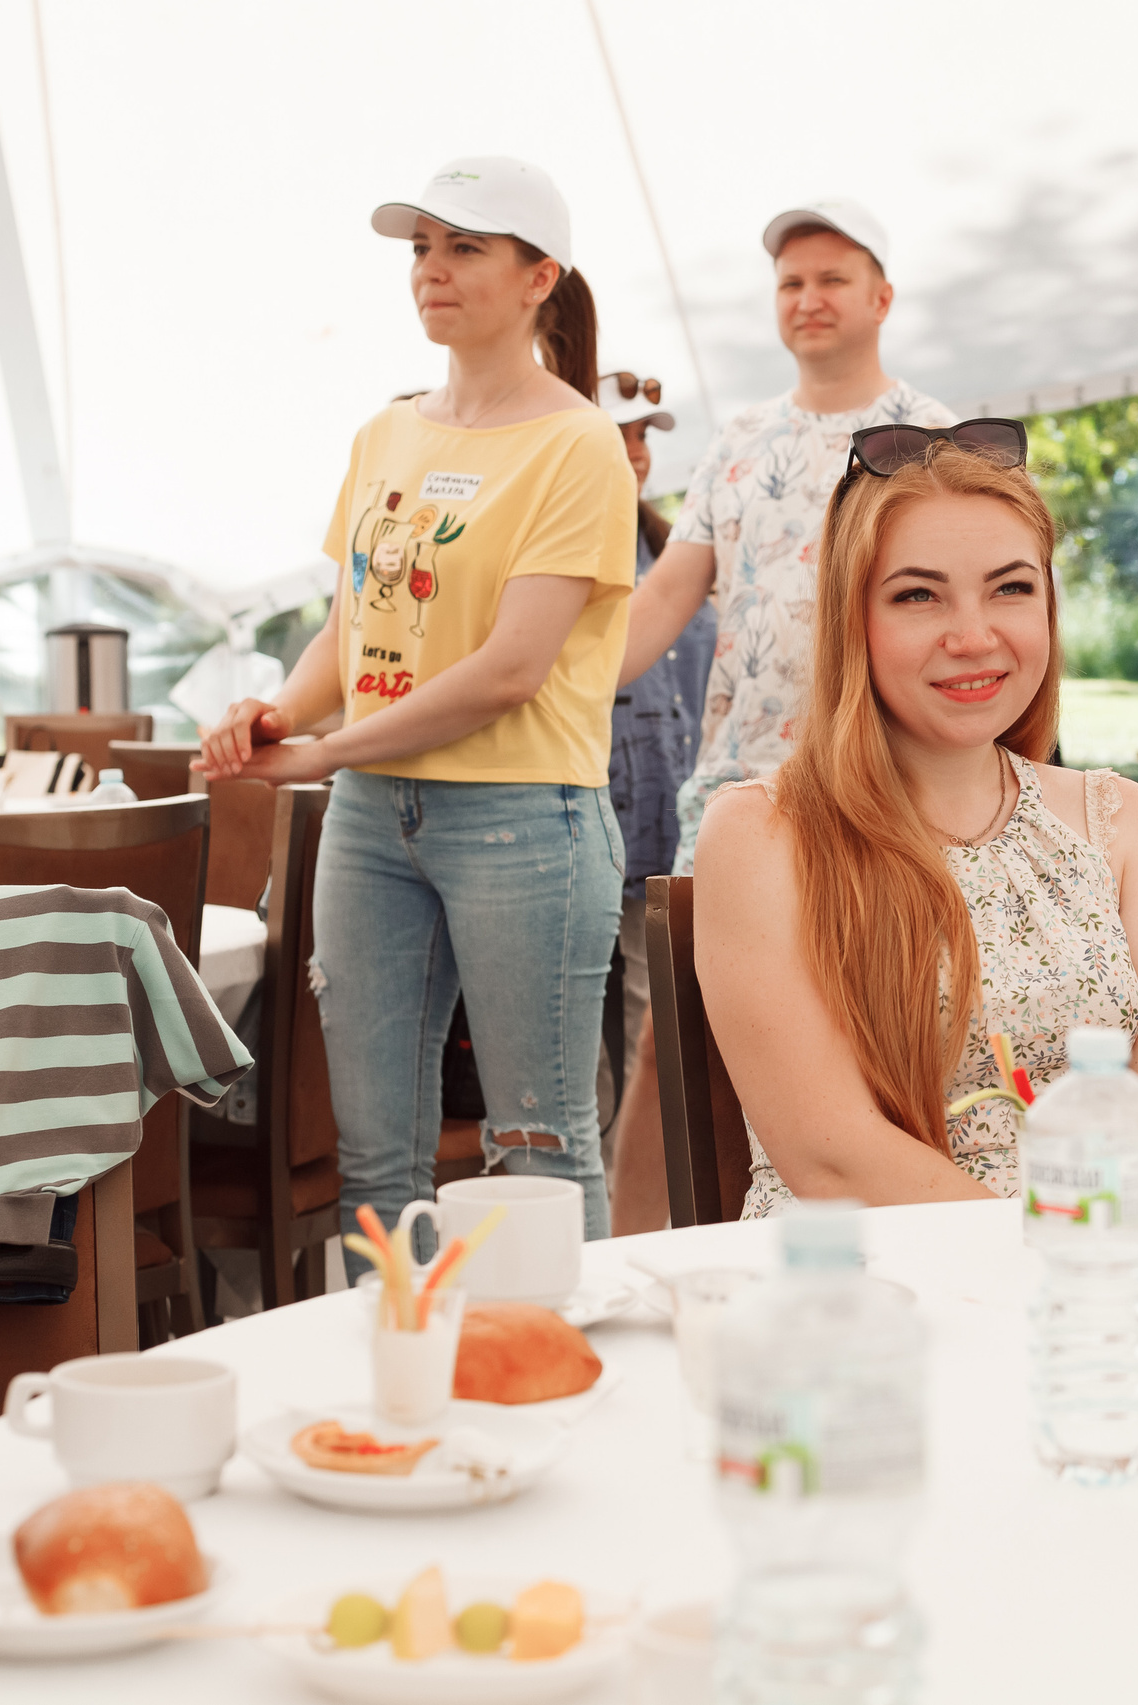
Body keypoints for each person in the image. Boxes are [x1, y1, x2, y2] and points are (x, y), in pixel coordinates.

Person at [198, 157, 636, 1255]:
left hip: (525, 819)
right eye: (420, 250)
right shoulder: (386, 433)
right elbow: (353, 627)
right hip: (370, 821)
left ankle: (550, 1378)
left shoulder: (578, 444)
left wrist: (321, 754)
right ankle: (391, 1393)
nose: (433, 272)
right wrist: (278, 714)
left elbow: (507, 672)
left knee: (535, 1147)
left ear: (541, 277)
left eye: (464, 248)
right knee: (374, 1160)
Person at [694, 427, 1138, 1214]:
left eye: (1011, 588)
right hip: (865, 1289)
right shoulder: (762, 836)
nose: (974, 637)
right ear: (853, 618)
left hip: (1104, 1278)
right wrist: (1055, 1243)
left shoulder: (1120, 822)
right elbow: (832, 1160)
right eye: (918, 595)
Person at [603, 198, 954, 1232]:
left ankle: (889, 1265)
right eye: (790, 283)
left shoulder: (933, 437)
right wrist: (533, 677)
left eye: (831, 278)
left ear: (881, 297)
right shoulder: (736, 443)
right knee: (673, 1054)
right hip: (737, 802)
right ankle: (629, 1270)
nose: (808, 299)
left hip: (889, 799)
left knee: (871, 1050)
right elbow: (660, 604)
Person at [595, 370, 713, 1206]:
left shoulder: (682, 551)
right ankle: (593, 1214)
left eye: (644, 437)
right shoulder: (556, 550)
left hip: (665, 836)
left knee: (656, 1034)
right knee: (580, 1054)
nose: (636, 452)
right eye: (620, 433)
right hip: (579, 825)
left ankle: (649, 1209)